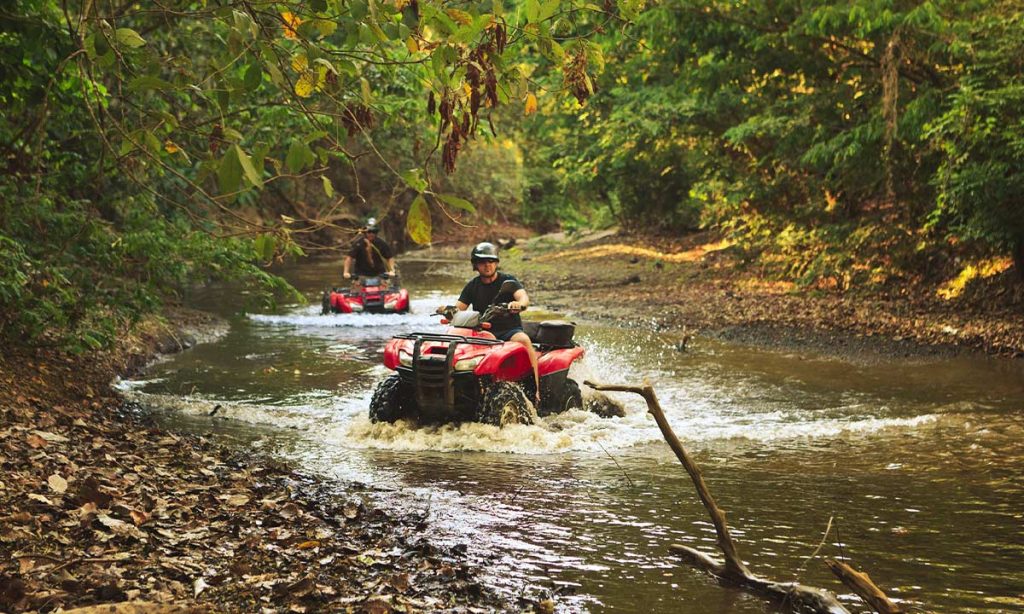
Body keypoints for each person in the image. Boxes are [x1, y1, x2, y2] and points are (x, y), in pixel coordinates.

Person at [441, 242, 541, 404]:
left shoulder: (508, 281)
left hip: (509, 331)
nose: (487, 265)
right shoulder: (472, 286)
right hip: (484, 333)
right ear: (476, 265)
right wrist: (448, 310)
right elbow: (459, 308)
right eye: (482, 262)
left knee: (523, 340)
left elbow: (523, 297)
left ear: (496, 263)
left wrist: (518, 304)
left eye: (491, 261)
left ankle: (536, 391)